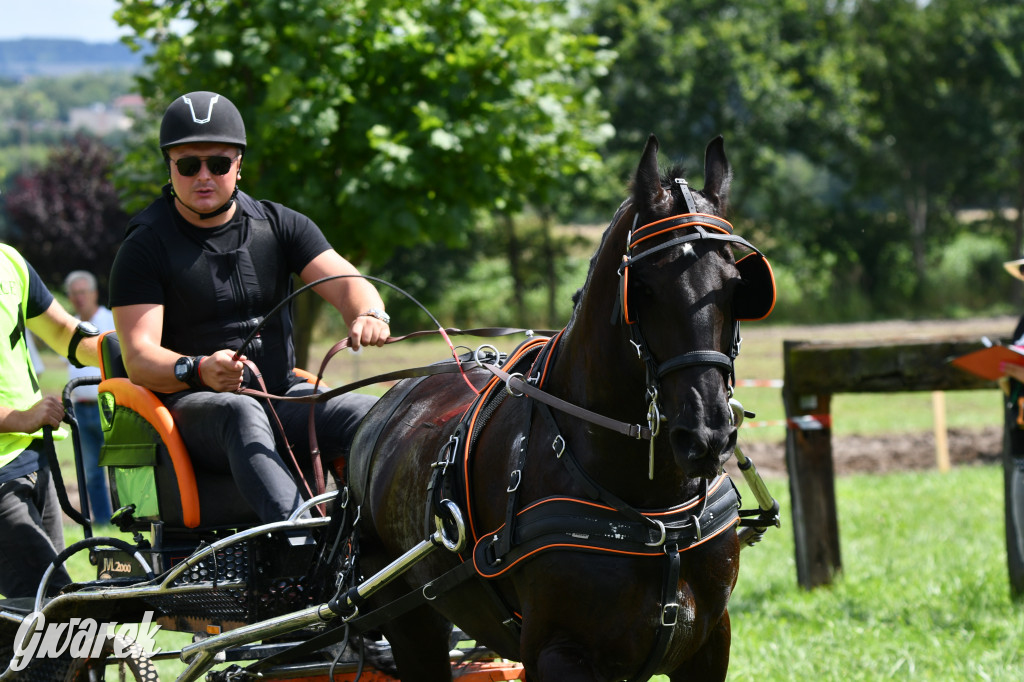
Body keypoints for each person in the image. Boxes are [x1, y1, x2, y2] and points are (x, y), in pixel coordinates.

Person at [107, 91, 390, 523]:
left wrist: (369, 313)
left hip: (281, 394)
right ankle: (302, 545)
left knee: (369, 412)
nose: (204, 176)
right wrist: (198, 368)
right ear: (170, 166)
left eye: (218, 164)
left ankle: (373, 539)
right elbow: (140, 359)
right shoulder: (144, 246)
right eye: (188, 165)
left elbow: (350, 284)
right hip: (193, 410)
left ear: (238, 165)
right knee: (240, 411)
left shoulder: (280, 224)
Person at [0, 243, 101, 598]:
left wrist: (128, 354)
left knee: (51, 603)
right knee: (54, 605)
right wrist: (19, 418)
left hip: (33, 457)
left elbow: (62, 332)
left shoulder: (9, 261)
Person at [64, 270, 116, 525]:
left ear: (94, 293)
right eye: (74, 294)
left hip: (108, 406)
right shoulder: (69, 326)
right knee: (91, 472)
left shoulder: (109, 320)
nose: (78, 298)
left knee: (120, 467)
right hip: (81, 409)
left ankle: (127, 518)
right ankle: (102, 521)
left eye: (83, 292)